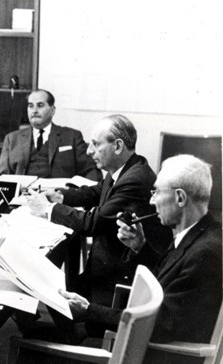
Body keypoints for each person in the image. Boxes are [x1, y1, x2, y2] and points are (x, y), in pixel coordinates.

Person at [59, 155, 222, 364]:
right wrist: (140, 246)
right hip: (150, 349)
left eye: (156, 193)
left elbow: (159, 323)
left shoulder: (206, 253)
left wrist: (89, 310)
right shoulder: (198, 234)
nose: (152, 201)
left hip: (155, 356)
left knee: (33, 351)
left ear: (180, 198)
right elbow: (169, 276)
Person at [28, 114, 171, 314]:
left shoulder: (135, 179)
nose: (89, 151)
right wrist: (61, 197)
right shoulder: (127, 168)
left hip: (114, 284)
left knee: (39, 286)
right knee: (45, 287)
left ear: (118, 146)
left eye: (95, 144)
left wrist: (47, 209)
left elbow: (92, 223)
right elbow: (96, 191)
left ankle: (72, 336)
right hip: (103, 271)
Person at [0, 89, 101, 181]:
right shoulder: (12, 139)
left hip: (59, 198)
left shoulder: (72, 136)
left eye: (40, 105)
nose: (34, 110)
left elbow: (90, 171)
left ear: (52, 110)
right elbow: (1, 177)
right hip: (22, 198)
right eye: (30, 106)